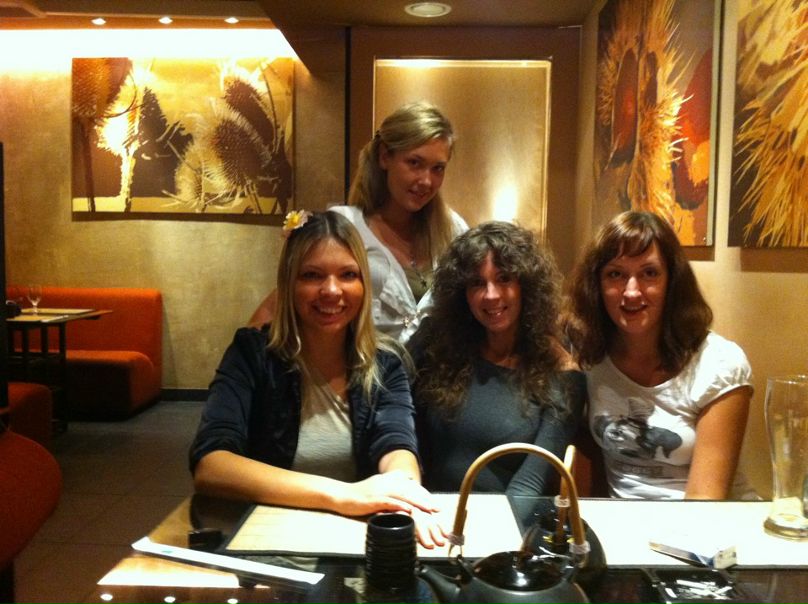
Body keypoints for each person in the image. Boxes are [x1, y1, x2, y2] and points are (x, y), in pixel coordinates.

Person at [190, 211, 444, 546]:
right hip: (266, 541)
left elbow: (396, 443)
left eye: (348, 274)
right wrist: (343, 495)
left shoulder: (385, 363)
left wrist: (403, 491)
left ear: (364, 284)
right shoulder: (252, 354)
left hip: (353, 545)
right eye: (312, 275)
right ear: (288, 284)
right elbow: (211, 464)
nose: (332, 290)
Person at [565, 211, 754, 500]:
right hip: (622, 519)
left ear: (672, 281)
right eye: (616, 274)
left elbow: (705, 501)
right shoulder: (591, 354)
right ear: (597, 285)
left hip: (704, 521)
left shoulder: (719, 364)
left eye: (649, 273)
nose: (631, 292)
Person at [249, 101, 468, 342]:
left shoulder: (453, 230)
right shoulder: (345, 227)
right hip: (366, 365)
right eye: (414, 163)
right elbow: (276, 308)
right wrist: (246, 360)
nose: (426, 180)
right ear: (385, 156)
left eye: (438, 168)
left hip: (441, 366)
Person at [409, 221, 586, 496]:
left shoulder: (562, 375)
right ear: (462, 292)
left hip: (507, 518)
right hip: (428, 510)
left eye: (504, 279)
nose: (491, 295)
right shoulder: (435, 344)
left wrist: (477, 521)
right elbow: (392, 416)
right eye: (477, 283)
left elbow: (530, 485)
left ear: (526, 285)